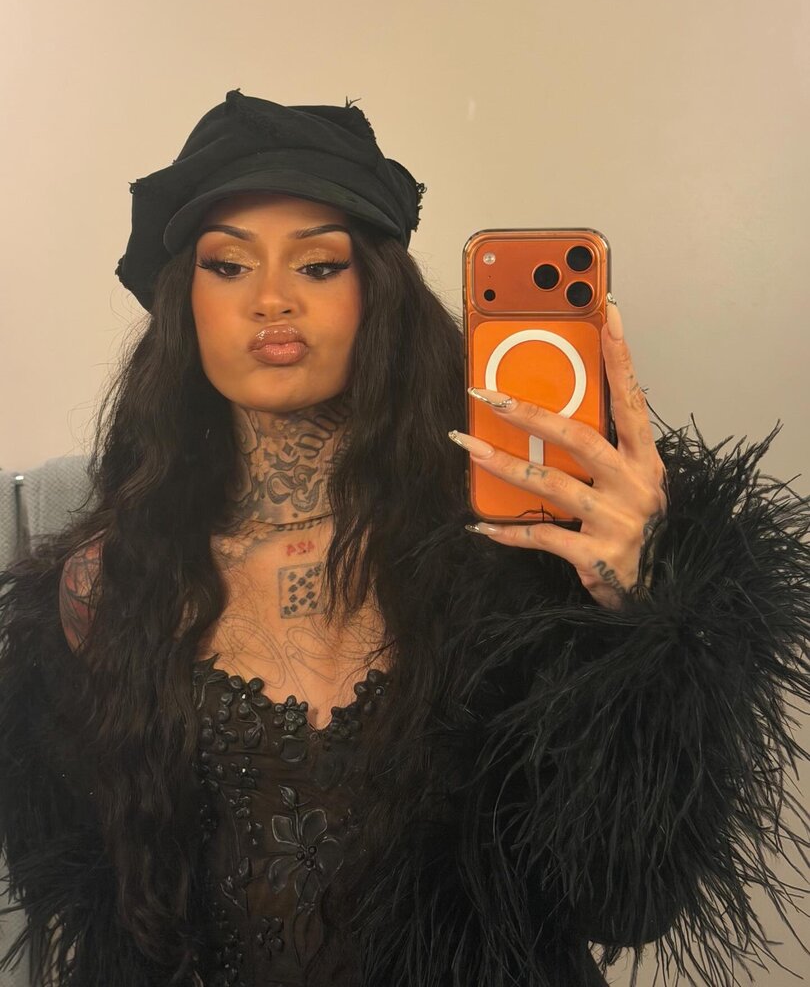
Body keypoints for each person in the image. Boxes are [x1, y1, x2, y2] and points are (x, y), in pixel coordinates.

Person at [0, 87, 808, 987]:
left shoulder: (515, 553)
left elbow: (628, 903)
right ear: (182, 298)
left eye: (319, 265)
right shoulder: (109, 587)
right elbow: (110, 917)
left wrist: (640, 619)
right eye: (228, 265)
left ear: (378, 293)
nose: (271, 298)